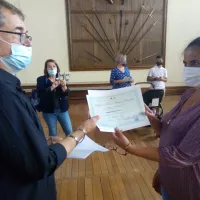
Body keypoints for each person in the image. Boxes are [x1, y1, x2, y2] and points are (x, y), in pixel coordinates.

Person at [0, 1, 99, 200]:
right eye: (19, 33)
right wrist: (82, 131)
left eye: (27, 35)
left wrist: (40, 142)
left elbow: (12, 144)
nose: (28, 43)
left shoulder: (9, 85)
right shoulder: (4, 93)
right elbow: (42, 163)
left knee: (55, 135)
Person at [112, 37, 200, 200]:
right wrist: (155, 122)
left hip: (189, 187)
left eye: (195, 63)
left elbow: (180, 155)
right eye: (186, 64)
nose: (188, 69)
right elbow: (172, 129)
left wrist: (130, 147)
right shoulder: (190, 93)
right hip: (169, 179)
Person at [37, 59, 72, 137]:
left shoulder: (62, 78)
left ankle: (70, 147)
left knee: (69, 131)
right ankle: (55, 148)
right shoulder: (41, 80)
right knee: (53, 134)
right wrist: (52, 87)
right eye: (49, 67)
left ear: (57, 68)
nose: (52, 68)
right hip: (49, 111)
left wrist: (64, 87)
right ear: (46, 69)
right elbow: (41, 93)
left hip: (62, 110)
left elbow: (66, 94)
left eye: (54, 66)